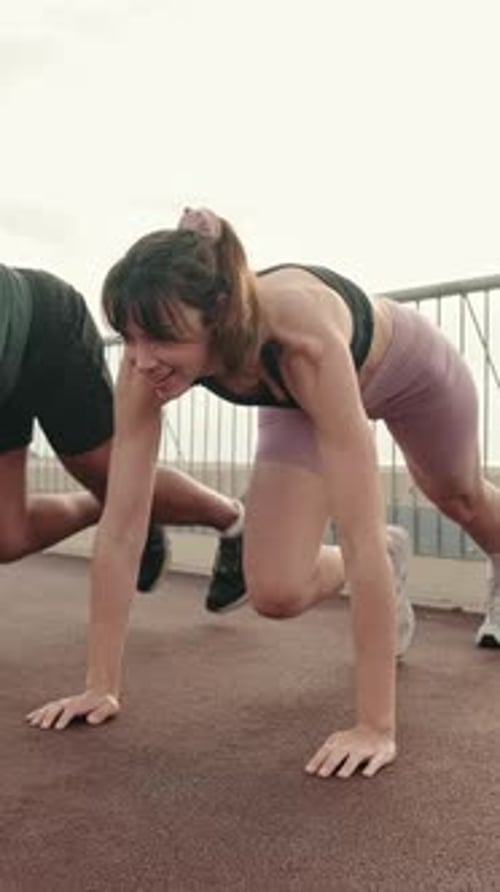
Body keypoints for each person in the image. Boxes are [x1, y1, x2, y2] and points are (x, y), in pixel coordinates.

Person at [28, 207, 498, 780]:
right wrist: (100, 687)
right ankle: (397, 552)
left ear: (221, 313)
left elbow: (356, 529)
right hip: (295, 404)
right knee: (275, 590)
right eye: (129, 335)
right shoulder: (141, 367)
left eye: (161, 337)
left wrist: (375, 727)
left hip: (409, 374)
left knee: (459, 495)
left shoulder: (302, 342)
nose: (141, 357)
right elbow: (124, 526)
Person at [0, 262, 244, 591]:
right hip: (6, 369)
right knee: (7, 537)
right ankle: (123, 508)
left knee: (107, 471)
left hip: (40, 320)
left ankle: (234, 523)